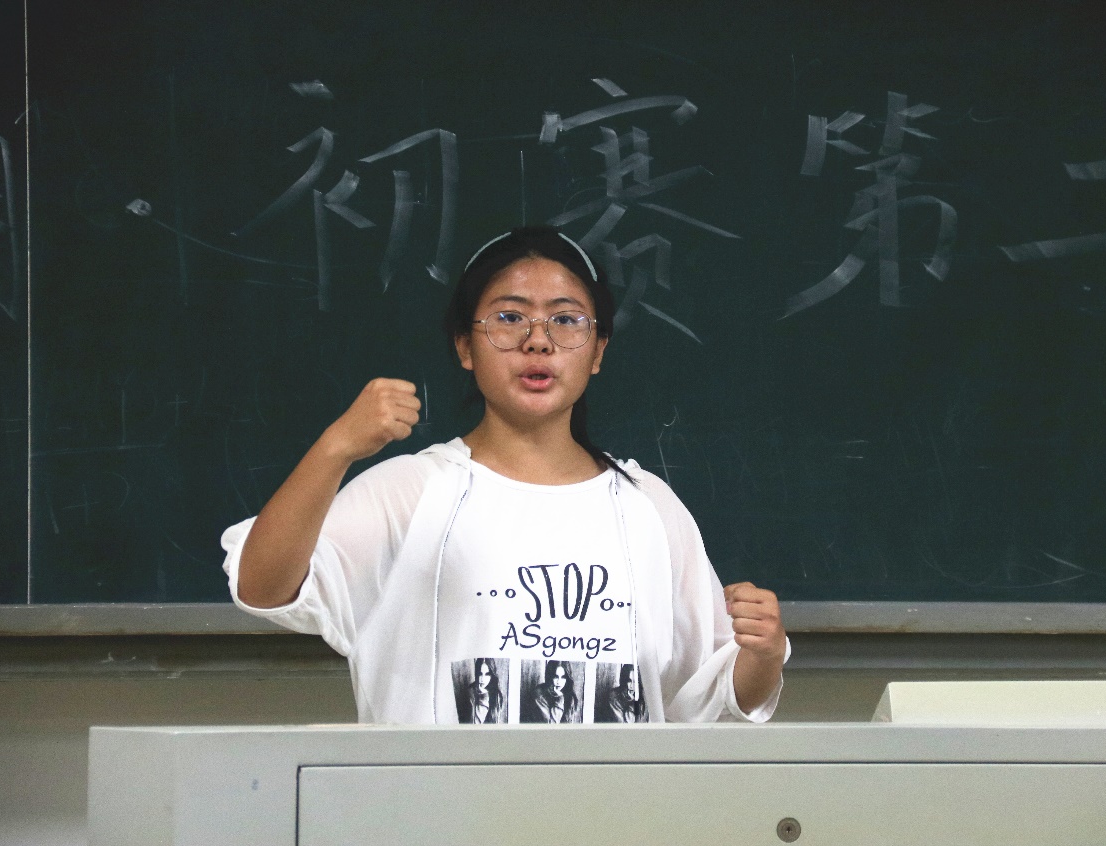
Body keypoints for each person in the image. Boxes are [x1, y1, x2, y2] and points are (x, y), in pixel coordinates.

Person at [221, 225, 789, 724]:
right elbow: (262, 589)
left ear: (597, 351)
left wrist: (764, 652)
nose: (538, 341)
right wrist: (336, 448)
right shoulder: (411, 491)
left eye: (566, 320)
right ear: (465, 347)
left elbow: (717, 694)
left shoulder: (647, 505)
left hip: (615, 804)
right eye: (510, 318)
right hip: (443, 804)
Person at [457, 657, 506, 724]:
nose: (483, 679)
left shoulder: (496, 695)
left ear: (492, 675)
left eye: (487, 674)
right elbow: (475, 724)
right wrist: (483, 697)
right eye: (480, 674)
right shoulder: (470, 693)